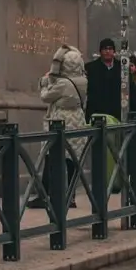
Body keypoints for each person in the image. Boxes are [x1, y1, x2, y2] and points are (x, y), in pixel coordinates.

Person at [31, 45, 89, 209]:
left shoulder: (63, 83)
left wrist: (44, 82)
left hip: (60, 120)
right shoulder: (83, 80)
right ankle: (70, 196)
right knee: (72, 160)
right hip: (77, 119)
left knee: (52, 158)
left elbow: (46, 97)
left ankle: (46, 195)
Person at [85, 37, 122, 121]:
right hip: (96, 112)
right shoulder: (90, 68)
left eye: (110, 49)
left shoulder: (121, 67)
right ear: (100, 51)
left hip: (116, 112)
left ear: (114, 51)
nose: (107, 51)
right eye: (105, 49)